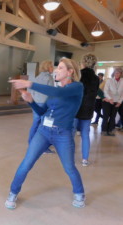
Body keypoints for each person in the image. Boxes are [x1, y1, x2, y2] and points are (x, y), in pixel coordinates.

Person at [5, 58, 85, 209]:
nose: (56, 70)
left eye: (60, 68)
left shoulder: (77, 87)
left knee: (69, 167)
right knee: (26, 163)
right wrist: (31, 101)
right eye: (56, 67)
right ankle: (13, 192)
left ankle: (79, 193)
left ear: (70, 71)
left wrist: (29, 84)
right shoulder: (54, 91)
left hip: (63, 134)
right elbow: (42, 112)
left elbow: (58, 92)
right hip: (44, 131)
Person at [74, 53, 99, 167]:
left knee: (71, 134)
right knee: (85, 135)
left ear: (83, 62)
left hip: (76, 109)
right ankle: (85, 159)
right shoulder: (96, 78)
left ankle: (69, 157)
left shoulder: (78, 75)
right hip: (89, 109)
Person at [28, 60, 55, 154]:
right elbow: (52, 93)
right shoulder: (49, 77)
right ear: (48, 67)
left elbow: (32, 90)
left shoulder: (37, 76)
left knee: (35, 123)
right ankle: (43, 148)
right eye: (52, 66)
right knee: (46, 126)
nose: (53, 68)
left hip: (36, 103)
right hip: (45, 104)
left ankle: (31, 143)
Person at [101, 68, 123, 136]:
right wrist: (110, 99)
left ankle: (110, 130)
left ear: (121, 74)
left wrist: (119, 102)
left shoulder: (122, 81)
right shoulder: (109, 80)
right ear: (113, 73)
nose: (117, 74)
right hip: (107, 101)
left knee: (113, 117)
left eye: (119, 73)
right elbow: (105, 91)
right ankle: (104, 130)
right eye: (116, 73)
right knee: (106, 116)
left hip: (117, 102)